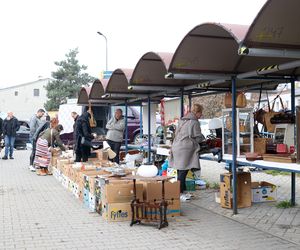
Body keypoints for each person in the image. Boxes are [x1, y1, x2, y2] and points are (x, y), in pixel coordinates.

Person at [169, 103, 205, 201]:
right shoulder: (194, 122)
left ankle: (182, 192)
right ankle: (179, 193)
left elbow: (177, 133)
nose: (201, 115)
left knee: (181, 171)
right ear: (197, 112)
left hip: (176, 146)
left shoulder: (182, 120)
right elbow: (197, 136)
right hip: (185, 149)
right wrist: (203, 138)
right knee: (183, 171)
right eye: (200, 113)